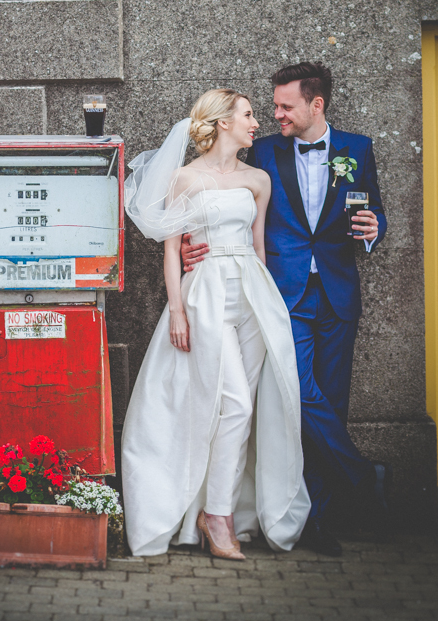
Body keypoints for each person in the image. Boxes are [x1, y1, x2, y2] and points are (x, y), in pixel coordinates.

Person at [182, 63, 389, 557]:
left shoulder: (357, 149)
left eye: (285, 106)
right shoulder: (266, 151)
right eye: (271, 107)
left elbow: (375, 208)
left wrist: (372, 228)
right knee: (299, 396)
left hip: (338, 294)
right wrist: (191, 245)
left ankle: (315, 521)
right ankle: (362, 477)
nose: (276, 115)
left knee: (330, 402)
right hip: (281, 294)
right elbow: (219, 188)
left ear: (317, 105)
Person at [122, 89, 310, 560]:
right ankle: (217, 517)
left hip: (252, 295)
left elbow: (259, 245)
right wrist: (178, 310)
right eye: (248, 115)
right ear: (223, 121)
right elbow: (170, 250)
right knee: (236, 406)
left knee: (241, 411)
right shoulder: (184, 178)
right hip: (205, 295)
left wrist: (267, 303)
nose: (256, 123)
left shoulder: (259, 180)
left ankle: (217, 508)